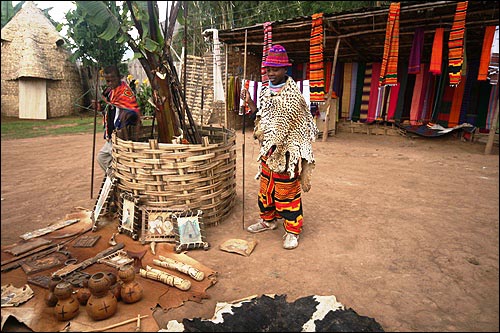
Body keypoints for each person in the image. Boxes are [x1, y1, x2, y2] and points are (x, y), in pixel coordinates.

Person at [241, 44, 318, 250]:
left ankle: (292, 231)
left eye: (275, 69)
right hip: (268, 151)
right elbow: (262, 117)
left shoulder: (294, 95)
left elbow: (297, 126)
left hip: (287, 154)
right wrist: (250, 103)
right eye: (268, 69)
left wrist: (280, 142)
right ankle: (268, 220)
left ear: (285, 69)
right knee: (266, 188)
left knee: (287, 192)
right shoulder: (266, 91)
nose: (271, 73)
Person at [96, 65, 142, 174]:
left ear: (119, 78)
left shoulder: (125, 92)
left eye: (113, 80)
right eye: (108, 81)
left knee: (122, 160)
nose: (110, 83)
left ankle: (120, 178)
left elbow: (133, 110)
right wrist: (99, 106)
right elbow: (109, 107)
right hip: (112, 134)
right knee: (102, 158)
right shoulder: (109, 92)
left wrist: (128, 114)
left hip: (123, 134)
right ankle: (115, 177)